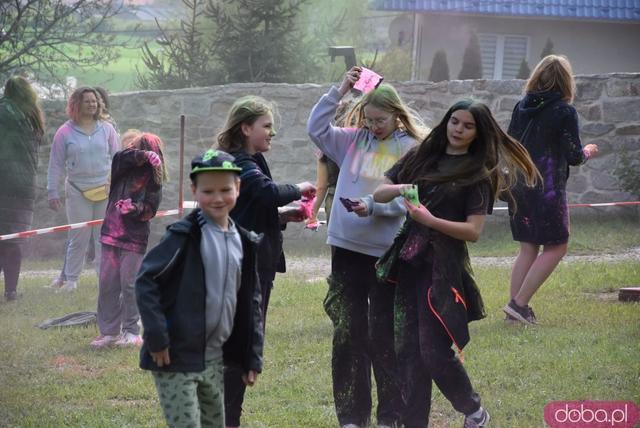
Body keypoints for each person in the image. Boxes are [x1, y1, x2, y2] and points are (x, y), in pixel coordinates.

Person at [373, 99, 539, 428]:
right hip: (408, 261)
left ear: (478, 132)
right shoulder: (423, 155)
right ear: (446, 121)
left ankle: (475, 412)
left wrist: (429, 219)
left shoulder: (477, 174)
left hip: (442, 267)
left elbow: (473, 232)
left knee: (433, 351)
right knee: (407, 350)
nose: (458, 129)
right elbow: (379, 192)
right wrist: (397, 189)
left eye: (467, 125)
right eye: (454, 122)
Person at [307, 66, 429, 428]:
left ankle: (389, 416)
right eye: (369, 119)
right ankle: (351, 417)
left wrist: (376, 206)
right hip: (346, 249)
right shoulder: (350, 141)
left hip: (386, 253)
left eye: (380, 120)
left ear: (396, 115)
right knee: (347, 334)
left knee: (384, 337)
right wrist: (341, 89)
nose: (373, 126)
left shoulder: (411, 149)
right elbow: (316, 129)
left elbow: (412, 195)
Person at [135, 149, 264, 427]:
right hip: (175, 356)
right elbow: (146, 280)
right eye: (208, 191)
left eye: (225, 189)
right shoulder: (183, 237)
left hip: (215, 358)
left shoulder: (245, 241)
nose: (217, 198)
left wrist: (251, 356)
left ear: (238, 188)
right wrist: (157, 336)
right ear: (194, 190)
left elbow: (251, 300)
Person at [215, 95, 316, 428]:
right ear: (246, 128)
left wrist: (284, 215)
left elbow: (250, 208)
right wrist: (300, 189)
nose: (272, 133)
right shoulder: (240, 162)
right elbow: (267, 192)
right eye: (266, 126)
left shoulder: (250, 160)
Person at [504, 55, 599, 325]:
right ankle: (519, 305)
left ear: (536, 76)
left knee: (528, 248)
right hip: (548, 190)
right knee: (557, 246)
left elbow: (510, 145)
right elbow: (573, 156)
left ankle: (515, 311)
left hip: (519, 187)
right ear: (566, 82)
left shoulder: (520, 107)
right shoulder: (564, 111)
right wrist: (588, 151)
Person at [90, 131, 167, 348]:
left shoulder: (154, 180)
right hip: (110, 236)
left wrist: (134, 208)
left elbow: (150, 209)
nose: (140, 153)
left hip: (134, 240)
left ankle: (132, 331)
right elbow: (122, 158)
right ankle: (108, 332)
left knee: (130, 285)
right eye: (137, 147)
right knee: (107, 284)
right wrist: (142, 154)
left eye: (148, 149)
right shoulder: (121, 167)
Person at [47, 86, 120, 292]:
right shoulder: (64, 132)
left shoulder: (107, 129)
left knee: (102, 237)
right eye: (87, 101)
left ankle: (103, 278)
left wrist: (114, 183)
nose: (91, 104)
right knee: (78, 237)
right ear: (76, 104)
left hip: (104, 190)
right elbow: (55, 164)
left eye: (94, 100)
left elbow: (118, 158)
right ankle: (71, 280)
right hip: (77, 191)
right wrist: (52, 192)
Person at [0, 76, 45, 301]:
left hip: (6, 183)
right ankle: (11, 291)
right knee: (13, 240)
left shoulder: (5, 111)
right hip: (25, 185)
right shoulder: (32, 116)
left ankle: (10, 291)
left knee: (6, 239)